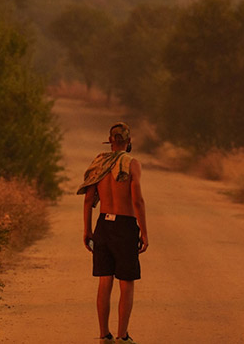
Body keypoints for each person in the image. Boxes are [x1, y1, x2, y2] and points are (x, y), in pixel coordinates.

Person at [77, 122, 148, 344]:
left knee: (104, 279)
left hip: (102, 225)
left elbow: (89, 199)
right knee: (126, 281)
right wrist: (144, 231)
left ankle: (104, 335)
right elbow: (137, 200)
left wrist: (87, 229)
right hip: (125, 226)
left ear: (110, 143)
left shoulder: (98, 163)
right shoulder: (132, 163)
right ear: (128, 143)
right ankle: (122, 336)